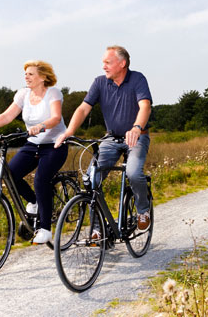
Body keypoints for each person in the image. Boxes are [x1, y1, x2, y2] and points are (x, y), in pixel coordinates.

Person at [55, 45, 152, 231]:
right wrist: (69, 131)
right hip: (111, 139)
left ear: (122, 64)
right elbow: (83, 108)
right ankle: (98, 229)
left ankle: (143, 209)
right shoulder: (99, 82)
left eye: (108, 62)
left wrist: (136, 128)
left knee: (133, 173)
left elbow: (145, 106)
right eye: (103, 63)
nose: (104, 66)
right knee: (92, 179)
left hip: (137, 137)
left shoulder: (137, 79)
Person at [0, 60, 68, 244]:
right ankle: (34, 201)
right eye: (25, 74)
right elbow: (7, 116)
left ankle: (46, 229)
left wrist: (42, 125)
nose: (26, 76)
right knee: (9, 175)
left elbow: (56, 117)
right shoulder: (23, 94)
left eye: (31, 74)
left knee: (41, 179)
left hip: (54, 144)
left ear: (43, 77)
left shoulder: (53, 93)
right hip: (32, 144)